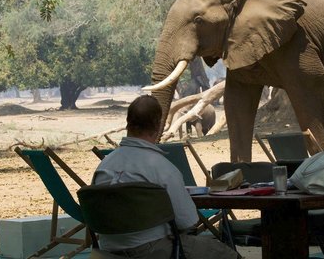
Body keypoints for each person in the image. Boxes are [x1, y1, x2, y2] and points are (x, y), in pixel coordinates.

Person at [92, 95, 239, 259]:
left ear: (127, 122)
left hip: (106, 252)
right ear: (157, 125)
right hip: (153, 251)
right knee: (223, 252)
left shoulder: (104, 166)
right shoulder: (161, 167)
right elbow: (188, 221)